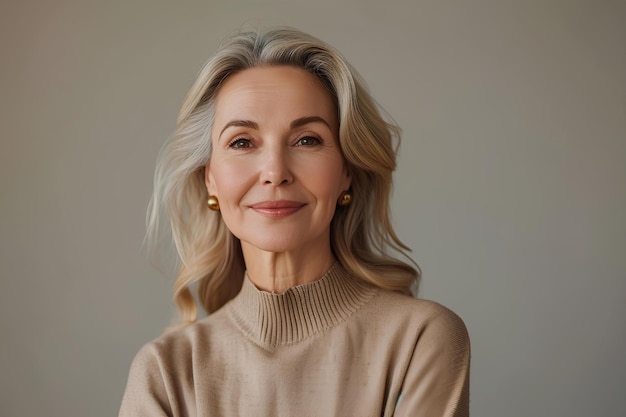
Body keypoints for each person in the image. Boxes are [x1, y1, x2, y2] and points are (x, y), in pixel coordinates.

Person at [119, 27, 470, 417]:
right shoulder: (166, 372)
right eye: (242, 142)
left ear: (346, 171)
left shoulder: (420, 340)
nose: (275, 172)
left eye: (307, 139)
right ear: (210, 178)